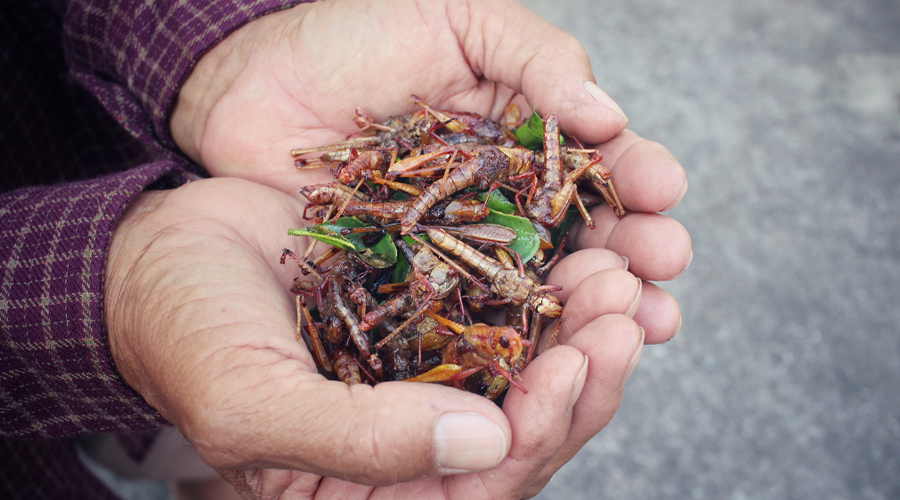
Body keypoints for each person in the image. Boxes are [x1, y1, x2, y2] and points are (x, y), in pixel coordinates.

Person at [0, 0, 691, 498]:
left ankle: (202, 473)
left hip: (92, 130)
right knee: (244, 403)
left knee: (245, 424)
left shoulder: (492, 220)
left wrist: (223, 52)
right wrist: (121, 287)